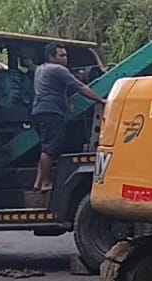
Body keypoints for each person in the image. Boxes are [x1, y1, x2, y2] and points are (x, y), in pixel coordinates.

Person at [32, 42, 105, 192]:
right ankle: (46, 183)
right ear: (51, 57)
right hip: (52, 112)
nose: (65, 58)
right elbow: (80, 87)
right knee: (51, 148)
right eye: (62, 55)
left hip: (38, 111)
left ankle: (38, 183)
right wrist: (100, 100)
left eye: (66, 55)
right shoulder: (58, 69)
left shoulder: (40, 69)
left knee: (46, 148)